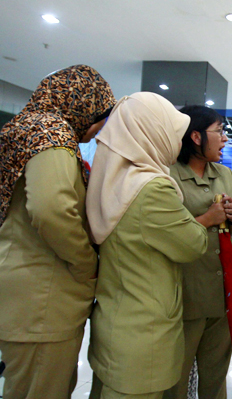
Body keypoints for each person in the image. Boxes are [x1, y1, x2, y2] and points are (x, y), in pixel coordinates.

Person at [0, 64, 115, 399]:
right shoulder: (51, 132)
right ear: (85, 106)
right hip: (43, 300)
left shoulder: (26, 125)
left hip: (26, 289)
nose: (97, 133)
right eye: (101, 119)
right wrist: (86, 265)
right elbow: (50, 210)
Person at [86, 92, 210, 399]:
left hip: (114, 323)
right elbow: (193, 244)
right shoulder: (151, 189)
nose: (179, 143)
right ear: (153, 133)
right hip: (144, 337)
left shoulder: (111, 178)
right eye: (174, 134)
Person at [163, 105, 232, 399]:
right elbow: (165, 235)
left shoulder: (223, 173)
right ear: (196, 136)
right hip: (186, 291)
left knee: (215, 374)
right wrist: (207, 219)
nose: (225, 138)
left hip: (223, 289)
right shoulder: (167, 174)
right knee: (176, 375)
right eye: (219, 131)